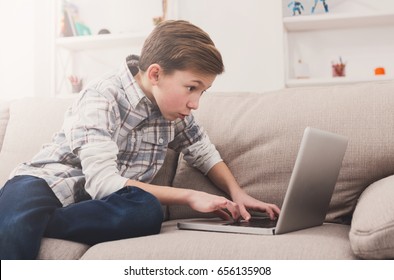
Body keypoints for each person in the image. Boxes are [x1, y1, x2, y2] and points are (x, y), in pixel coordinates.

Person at [0, 20, 280, 260]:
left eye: (202, 92)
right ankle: (25, 219)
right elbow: (103, 182)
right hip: (45, 182)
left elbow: (203, 151)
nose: (195, 103)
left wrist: (237, 192)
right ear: (156, 74)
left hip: (97, 205)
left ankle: (37, 222)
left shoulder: (175, 112)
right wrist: (192, 196)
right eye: (191, 88)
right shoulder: (101, 96)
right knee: (13, 224)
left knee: (146, 212)